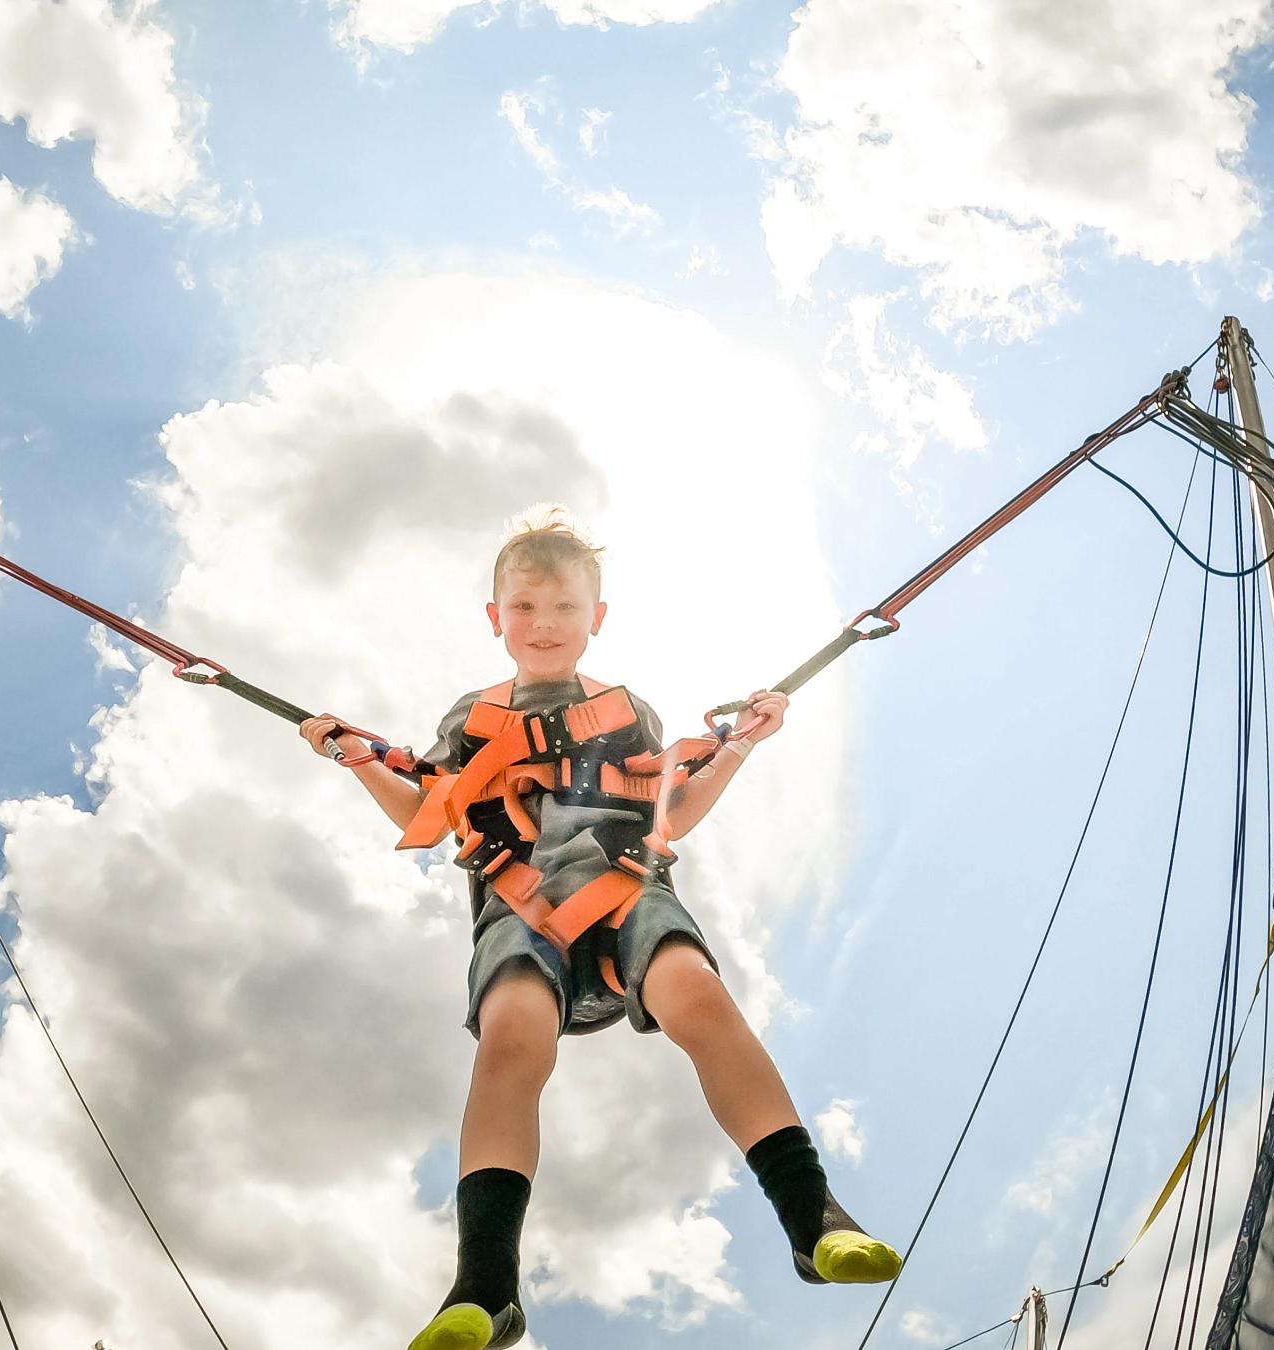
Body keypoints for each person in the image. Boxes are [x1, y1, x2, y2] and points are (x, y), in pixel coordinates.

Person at [300, 514, 898, 1350]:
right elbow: (429, 811)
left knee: (701, 999)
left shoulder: (627, 713)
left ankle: (811, 1217)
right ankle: (485, 1285)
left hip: (624, 891)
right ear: (495, 616)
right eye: (525, 606)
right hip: (523, 903)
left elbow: (673, 808)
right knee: (510, 1043)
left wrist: (739, 749)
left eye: (564, 607)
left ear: (596, 618)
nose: (544, 625)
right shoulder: (472, 715)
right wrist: (359, 758)